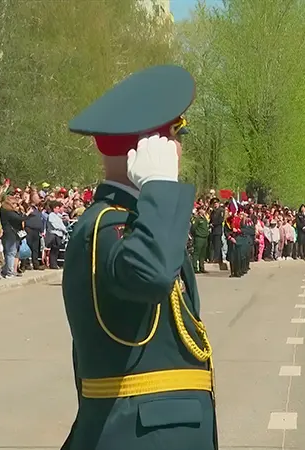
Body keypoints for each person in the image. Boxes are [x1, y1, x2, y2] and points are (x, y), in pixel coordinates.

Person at [61, 65, 217, 450]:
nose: (179, 148)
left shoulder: (136, 223)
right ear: (153, 148)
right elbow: (151, 275)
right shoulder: (107, 227)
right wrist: (161, 189)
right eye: (176, 135)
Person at [191, 205, 210, 273]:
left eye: (204, 209)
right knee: (196, 253)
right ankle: (195, 268)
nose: (204, 211)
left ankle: (202, 267)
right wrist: (196, 235)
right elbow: (193, 228)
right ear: (199, 210)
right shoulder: (197, 219)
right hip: (199, 238)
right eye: (202, 209)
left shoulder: (205, 218)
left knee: (203, 254)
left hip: (205, 238)